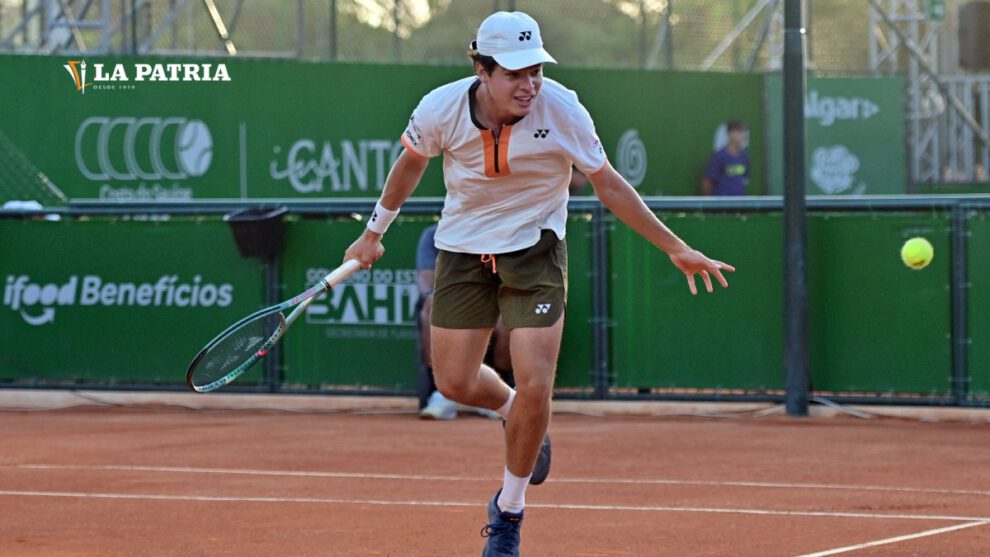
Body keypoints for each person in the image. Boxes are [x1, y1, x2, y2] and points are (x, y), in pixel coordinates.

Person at [344, 11, 734, 556]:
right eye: (514, 74)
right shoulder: (441, 108)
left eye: (537, 72)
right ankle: (510, 412)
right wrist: (373, 233)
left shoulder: (563, 110)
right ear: (482, 69)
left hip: (537, 251)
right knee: (453, 383)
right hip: (463, 249)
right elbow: (410, 162)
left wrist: (676, 246)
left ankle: (508, 512)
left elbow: (610, 186)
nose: (529, 85)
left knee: (537, 385)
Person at [416, 223, 513, 420]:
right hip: (453, 302)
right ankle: (442, 395)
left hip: (495, 301)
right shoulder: (433, 235)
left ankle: (498, 395)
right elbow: (426, 277)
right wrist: (431, 296)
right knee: (430, 306)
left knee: (509, 314)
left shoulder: (503, 231)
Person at [701, 120, 750, 196]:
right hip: (722, 204)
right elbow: (707, 182)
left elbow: (744, 178)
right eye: (739, 132)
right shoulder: (719, 157)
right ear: (730, 134)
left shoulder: (744, 157)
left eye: (743, 132)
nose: (743, 135)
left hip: (740, 203)